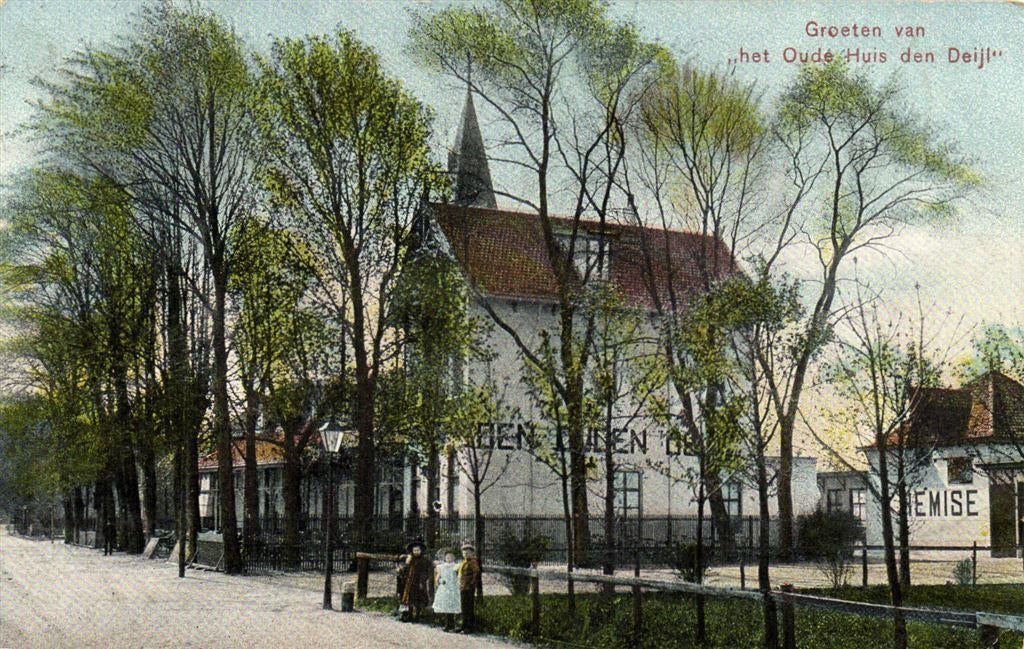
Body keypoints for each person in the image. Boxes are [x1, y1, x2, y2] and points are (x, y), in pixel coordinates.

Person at [400, 538, 434, 622]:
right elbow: (406, 570)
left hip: (420, 582)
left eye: (418, 550)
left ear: (421, 550)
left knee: (419, 599)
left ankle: (418, 615)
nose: (416, 552)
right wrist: (403, 569)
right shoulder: (410, 560)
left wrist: (425, 579)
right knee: (409, 599)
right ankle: (409, 614)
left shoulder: (425, 560)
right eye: (414, 550)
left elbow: (428, 570)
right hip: (410, 582)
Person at [433, 551, 461, 631]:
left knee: (452, 605)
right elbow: (438, 577)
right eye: (447, 557)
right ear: (445, 558)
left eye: (451, 557)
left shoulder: (456, 566)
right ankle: (447, 623)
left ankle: (452, 623)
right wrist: (440, 581)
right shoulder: (441, 567)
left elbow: (459, 575)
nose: (449, 559)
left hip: (453, 587)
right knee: (445, 605)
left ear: (454, 558)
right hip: (445, 588)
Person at [457, 541, 481, 633]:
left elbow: (476, 574)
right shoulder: (463, 562)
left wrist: (471, 584)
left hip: (469, 588)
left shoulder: (473, 562)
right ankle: (463, 625)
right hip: (463, 587)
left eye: (467, 552)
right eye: (464, 552)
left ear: (472, 553)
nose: (465, 554)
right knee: (463, 607)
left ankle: (469, 627)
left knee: (469, 607)